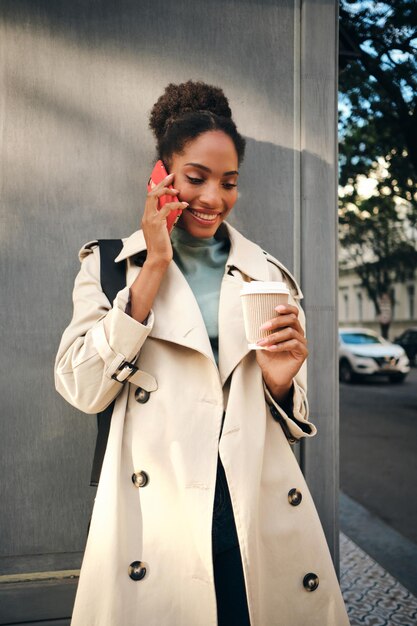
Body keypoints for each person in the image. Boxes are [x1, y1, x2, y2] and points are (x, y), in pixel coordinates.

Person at [55, 80, 350, 626]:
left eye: (229, 182)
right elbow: (81, 388)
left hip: (247, 501)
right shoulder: (109, 265)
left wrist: (281, 383)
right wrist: (152, 272)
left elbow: (290, 419)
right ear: (159, 174)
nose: (213, 198)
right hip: (158, 506)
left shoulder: (268, 274)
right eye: (196, 178)